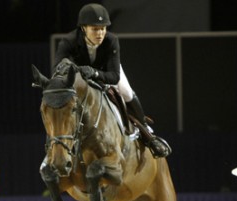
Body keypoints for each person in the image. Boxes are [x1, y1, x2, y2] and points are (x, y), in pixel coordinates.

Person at [53, 3, 171, 158]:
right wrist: (76, 71)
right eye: (95, 29)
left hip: (104, 72)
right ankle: (56, 142)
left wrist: (95, 73)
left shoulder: (111, 40)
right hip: (79, 78)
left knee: (126, 92)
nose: (100, 33)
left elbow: (114, 76)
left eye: (103, 28)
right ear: (83, 28)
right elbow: (57, 69)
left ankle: (147, 133)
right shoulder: (68, 42)